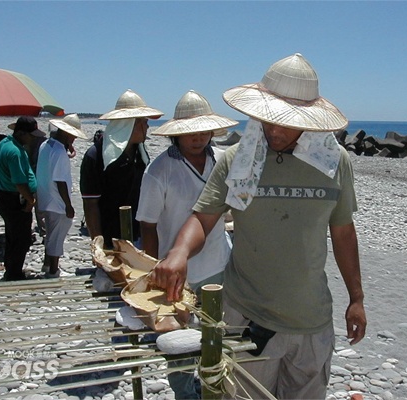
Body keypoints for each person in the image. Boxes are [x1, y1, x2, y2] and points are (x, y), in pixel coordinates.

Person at [151, 53, 367, 398]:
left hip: (310, 321)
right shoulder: (241, 159)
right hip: (247, 317)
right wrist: (178, 253)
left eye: (285, 121)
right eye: (268, 118)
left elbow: (343, 231)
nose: (273, 130)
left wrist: (356, 298)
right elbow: (204, 217)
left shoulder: (333, 162)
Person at [135, 90, 237, 399]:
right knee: (177, 340)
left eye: (203, 130)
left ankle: (212, 385)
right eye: (190, 131)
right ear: (177, 134)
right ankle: (183, 392)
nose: (198, 137)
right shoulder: (159, 171)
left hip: (218, 263)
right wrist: (152, 273)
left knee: (217, 333)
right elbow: (148, 226)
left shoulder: (223, 161)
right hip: (175, 272)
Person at [80, 89, 163, 249]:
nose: (147, 126)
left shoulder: (140, 153)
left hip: (138, 234)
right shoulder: (96, 156)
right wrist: (98, 244)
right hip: (110, 237)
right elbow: (90, 203)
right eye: (144, 122)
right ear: (131, 124)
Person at [37, 114, 87, 278]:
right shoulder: (58, 152)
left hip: (45, 197)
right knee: (57, 237)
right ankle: (53, 270)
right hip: (57, 201)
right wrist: (68, 205)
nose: (74, 139)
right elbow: (60, 181)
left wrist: (67, 148)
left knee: (50, 234)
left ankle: (46, 264)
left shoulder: (46, 145)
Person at [0, 116, 43, 281]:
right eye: (31, 135)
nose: (33, 138)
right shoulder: (15, 151)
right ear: (21, 133)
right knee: (21, 239)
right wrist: (31, 201)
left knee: (12, 236)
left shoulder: (5, 143)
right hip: (14, 199)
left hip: (4, 197)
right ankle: (14, 273)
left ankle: (12, 269)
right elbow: (20, 183)